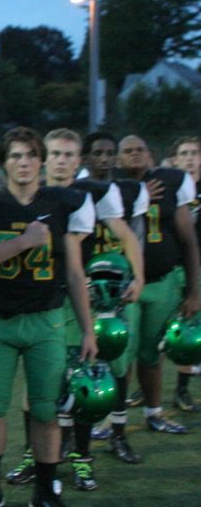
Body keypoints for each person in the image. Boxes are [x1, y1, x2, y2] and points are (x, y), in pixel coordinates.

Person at [0, 127, 98, 507]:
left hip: (46, 320)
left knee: (45, 410)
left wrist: (87, 329)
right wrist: (23, 242)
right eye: (16, 155)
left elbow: (73, 273)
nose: (24, 163)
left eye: (30, 155)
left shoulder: (62, 202)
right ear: (3, 161)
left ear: (42, 161)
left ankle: (45, 489)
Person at [5, 129, 145, 492]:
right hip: (39, 297)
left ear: (78, 160)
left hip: (81, 297)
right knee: (37, 386)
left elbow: (126, 235)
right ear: (44, 158)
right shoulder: (24, 191)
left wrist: (138, 277)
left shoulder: (93, 193)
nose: (62, 161)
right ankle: (31, 455)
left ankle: (82, 456)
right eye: (55, 154)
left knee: (84, 377)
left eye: (69, 154)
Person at [116, 134, 199, 433]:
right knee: (119, 354)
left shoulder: (169, 182)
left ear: (149, 155)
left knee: (152, 353)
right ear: (118, 158)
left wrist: (193, 290)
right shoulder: (109, 187)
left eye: (141, 149)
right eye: (128, 151)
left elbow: (189, 240)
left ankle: (154, 411)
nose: (135, 154)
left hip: (162, 282)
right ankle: (113, 419)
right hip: (124, 287)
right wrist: (137, 197)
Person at [79, 130, 149, 464]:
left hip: (117, 290)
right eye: (98, 153)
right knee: (78, 366)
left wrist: (137, 277)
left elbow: (135, 236)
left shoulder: (131, 190)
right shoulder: (75, 190)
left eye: (110, 153)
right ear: (87, 157)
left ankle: (118, 433)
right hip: (84, 290)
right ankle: (75, 440)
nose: (105, 159)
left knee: (120, 365)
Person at [167, 136, 201, 412]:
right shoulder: (169, 188)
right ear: (174, 159)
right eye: (184, 153)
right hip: (167, 268)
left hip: (194, 268)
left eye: (194, 153)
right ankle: (145, 386)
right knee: (152, 333)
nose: (190, 158)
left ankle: (181, 389)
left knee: (189, 331)